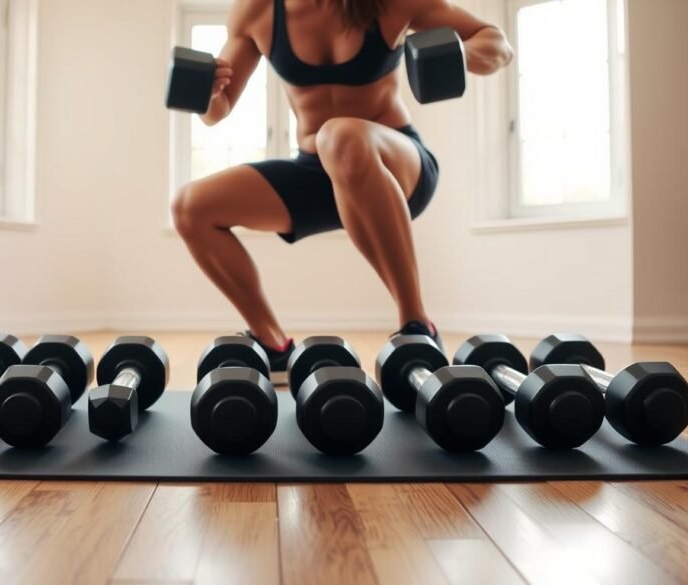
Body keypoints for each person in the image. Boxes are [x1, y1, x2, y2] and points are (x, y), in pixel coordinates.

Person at [172, 0, 513, 379]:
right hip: (317, 168)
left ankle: (418, 324)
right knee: (191, 206)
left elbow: (497, 43)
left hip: (395, 164)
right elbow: (216, 111)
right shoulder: (257, 11)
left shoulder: (390, 4)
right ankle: (274, 345)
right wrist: (208, 93)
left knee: (339, 134)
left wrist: (461, 54)